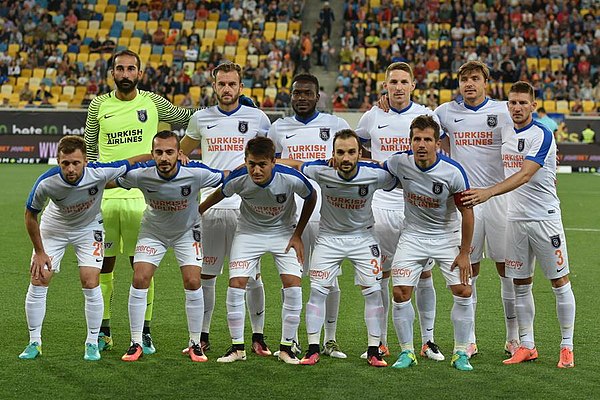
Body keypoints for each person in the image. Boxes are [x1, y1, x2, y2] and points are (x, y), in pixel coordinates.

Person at [85, 49, 198, 355]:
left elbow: (189, 118)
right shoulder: (98, 105)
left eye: (130, 68)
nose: (125, 73)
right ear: (112, 73)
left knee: (141, 268)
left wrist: (223, 108)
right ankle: (104, 331)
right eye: (119, 68)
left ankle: (144, 332)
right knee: (102, 267)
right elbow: (91, 151)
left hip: (144, 199)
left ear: (139, 73)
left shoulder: (152, 102)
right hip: (106, 198)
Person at [462, 81, 576, 369]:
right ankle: (527, 345)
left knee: (559, 283)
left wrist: (488, 192)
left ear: (533, 106)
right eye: (512, 103)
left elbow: (525, 175)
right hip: (514, 218)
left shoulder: (543, 134)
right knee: (521, 285)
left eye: (523, 103)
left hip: (544, 219)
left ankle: (567, 346)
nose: (517, 107)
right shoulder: (505, 129)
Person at [18, 136, 148, 361]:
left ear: (86, 160)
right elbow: (30, 215)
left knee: (90, 280)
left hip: (88, 229)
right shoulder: (46, 182)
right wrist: (39, 252)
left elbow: (134, 161)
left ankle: (92, 342)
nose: (70, 168)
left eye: (76, 163)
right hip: (54, 228)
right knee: (40, 278)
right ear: (58, 160)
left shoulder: (101, 171)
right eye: (65, 163)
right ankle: (34, 342)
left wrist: (168, 158)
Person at [281, 129, 397, 367]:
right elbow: (295, 165)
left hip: (363, 239)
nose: (346, 158)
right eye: (341, 152)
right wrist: (272, 162)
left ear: (360, 153)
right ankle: (313, 348)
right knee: (317, 292)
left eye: (351, 152)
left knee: (373, 292)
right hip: (329, 239)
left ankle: (374, 350)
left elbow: (397, 177)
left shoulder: (374, 174)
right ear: (332, 154)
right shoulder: (321, 169)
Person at [180, 62, 272, 355]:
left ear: (241, 87)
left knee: (252, 276)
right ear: (214, 86)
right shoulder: (201, 118)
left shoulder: (258, 118)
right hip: (210, 207)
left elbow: (271, 158)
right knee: (207, 275)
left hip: (247, 208)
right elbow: (182, 154)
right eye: (222, 84)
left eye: (232, 84)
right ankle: (203, 335)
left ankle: (258, 336)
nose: (227, 89)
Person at [199, 136, 317, 364]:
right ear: (245, 161)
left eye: (262, 164)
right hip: (248, 233)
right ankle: (237, 348)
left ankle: (286, 348)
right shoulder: (238, 177)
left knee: (293, 284)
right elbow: (219, 193)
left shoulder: (290, 178)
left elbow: (311, 196)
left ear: (273, 161)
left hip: (284, 233)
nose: (256, 169)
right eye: (251, 163)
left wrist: (297, 234)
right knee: (236, 284)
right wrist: (198, 211)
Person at [356, 62, 444, 361]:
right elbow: (360, 143)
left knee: (424, 274)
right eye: (392, 81)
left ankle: (428, 340)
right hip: (380, 205)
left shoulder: (426, 116)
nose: (397, 87)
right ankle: (379, 341)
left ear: (413, 85)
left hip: (416, 208)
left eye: (403, 81)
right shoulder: (373, 115)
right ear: (385, 85)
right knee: (380, 274)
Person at [116, 131, 225, 362]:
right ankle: (135, 342)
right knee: (140, 278)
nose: (164, 158)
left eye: (169, 152)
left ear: (179, 153)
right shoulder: (140, 174)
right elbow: (108, 180)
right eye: (158, 152)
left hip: (187, 232)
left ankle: (195, 343)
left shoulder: (196, 172)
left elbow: (227, 178)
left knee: (194, 281)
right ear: (152, 153)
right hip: (153, 232)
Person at [433, 60, 517, 357]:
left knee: (508, 269)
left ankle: (513, 338)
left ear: (486, 82)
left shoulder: (503, 110)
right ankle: (468, 340)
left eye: (475, 79)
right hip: (465, 202)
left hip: (498, 198)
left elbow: (532, 126)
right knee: (469, 267)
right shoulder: (445, 112)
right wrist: (386, 104)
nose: (469, 84)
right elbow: (418, 122)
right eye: (464, 79)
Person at [383, 115, 475, 371]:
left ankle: (460, 353)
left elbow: (468, 212)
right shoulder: (399, 161)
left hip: (447, 237)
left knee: (463, 291)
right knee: (401, 292)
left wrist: (465, 251)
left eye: (427, 139)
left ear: (437, 143)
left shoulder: (452, 171)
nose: (421, 144)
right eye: (417, 139)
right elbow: (375, 169)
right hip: (412, 235)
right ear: (410, 141)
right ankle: (407, 352)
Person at [268, 73, 351, 359]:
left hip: (330, 214)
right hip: (293, 217)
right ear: (290, 96)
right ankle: (290, 339)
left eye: (307, 93)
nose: (301, 97)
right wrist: (305, 164)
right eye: (296, 93)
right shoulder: (278, 127)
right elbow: (271, 164)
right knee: (291, 279)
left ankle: (330, 339)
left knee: (331, 280)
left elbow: (349, 159)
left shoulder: (336, 125)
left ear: (318, 96)